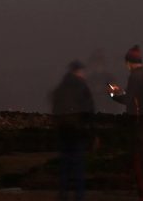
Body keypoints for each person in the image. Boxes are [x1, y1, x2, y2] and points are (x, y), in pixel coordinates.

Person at [107, 45, 143, 201]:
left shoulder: (135, 76)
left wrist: (113, 95)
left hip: (140, 128)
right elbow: (138, 97)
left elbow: (129, 100)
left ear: (129, 62)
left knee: (140, 168)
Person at [50, 60, 96, 201]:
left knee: (64, 166)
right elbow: (88, 111)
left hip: (63, 132)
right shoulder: (82, 87)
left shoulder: (61, 87)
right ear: (79, 71)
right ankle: (78, 197)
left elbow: (55, 107)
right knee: (78, 168)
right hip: (77, 133)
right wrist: (93, 134)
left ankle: (63, 195)